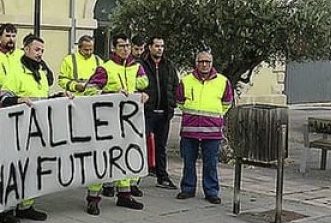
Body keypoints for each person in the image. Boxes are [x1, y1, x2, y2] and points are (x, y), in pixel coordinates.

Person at [0, 34, 54, 223]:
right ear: (26, 49)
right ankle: (7, 210)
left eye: (42, 51)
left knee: (32, 169)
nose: (40, 54)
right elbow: (4, 99)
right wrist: (19, 100)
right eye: (37, 50)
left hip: (36, 129)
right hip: (17, 130)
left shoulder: (41, 73)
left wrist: (61, 96)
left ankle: (26, 206)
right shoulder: (16, 72)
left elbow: (43, 99)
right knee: (14, 169)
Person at [85, 34, 148, 212]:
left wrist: (142, 95)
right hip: (106, 121)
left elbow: (143, 85)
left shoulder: (137, 67)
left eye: (127, 46)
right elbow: (90, 91)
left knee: (126, 155)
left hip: (128, 121)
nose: (126, 49)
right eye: (121, 46)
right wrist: (111, 96)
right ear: (113, 48)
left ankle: (124, 195)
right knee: (102, 158)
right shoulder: (105, 68)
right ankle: (93, 198)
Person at [174, 51, 233, 204]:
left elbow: (227, 102)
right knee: (188, 161)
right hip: (190, 130)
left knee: (211, 163)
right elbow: (180, 101)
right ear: (196, 63)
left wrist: (216, 115)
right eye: (201, 62)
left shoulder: (222, 81)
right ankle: (187, 189)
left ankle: (211, 192)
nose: (204, 64)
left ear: (212, 63)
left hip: (212, 131)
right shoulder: (186, 81)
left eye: (207, 61)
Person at [142, 36, 180, 189]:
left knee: (161, 147)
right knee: (140, 145)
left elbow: (175, 86)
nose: (159, 49)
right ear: (150, 47)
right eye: (156, 46)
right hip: (146, 112)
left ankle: (162, 176)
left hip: (164, 112)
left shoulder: (169, 66)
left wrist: (172, 104)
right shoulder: (141, 65)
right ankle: (135, 180)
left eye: (162, 46)